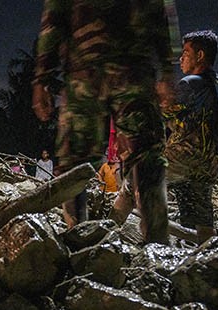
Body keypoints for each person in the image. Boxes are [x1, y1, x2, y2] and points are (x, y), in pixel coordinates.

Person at [33, 0, 176, 242]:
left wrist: (42, 77)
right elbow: (162, 10)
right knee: (144, 155)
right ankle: (157, 245)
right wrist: (167, 68)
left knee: (78, 158)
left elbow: (53, 19)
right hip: (127, 68)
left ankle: (80, 243)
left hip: (90, 68)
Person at [162, 30, 218, 242]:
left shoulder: (190, 83)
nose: (181, 58)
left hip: (182, 157)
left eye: (185, 52)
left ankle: (104, 234)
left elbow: (163, 111)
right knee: (201, 215)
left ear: (200, 55)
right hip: (208, 162)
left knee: (134, 183)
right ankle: (207, 254)